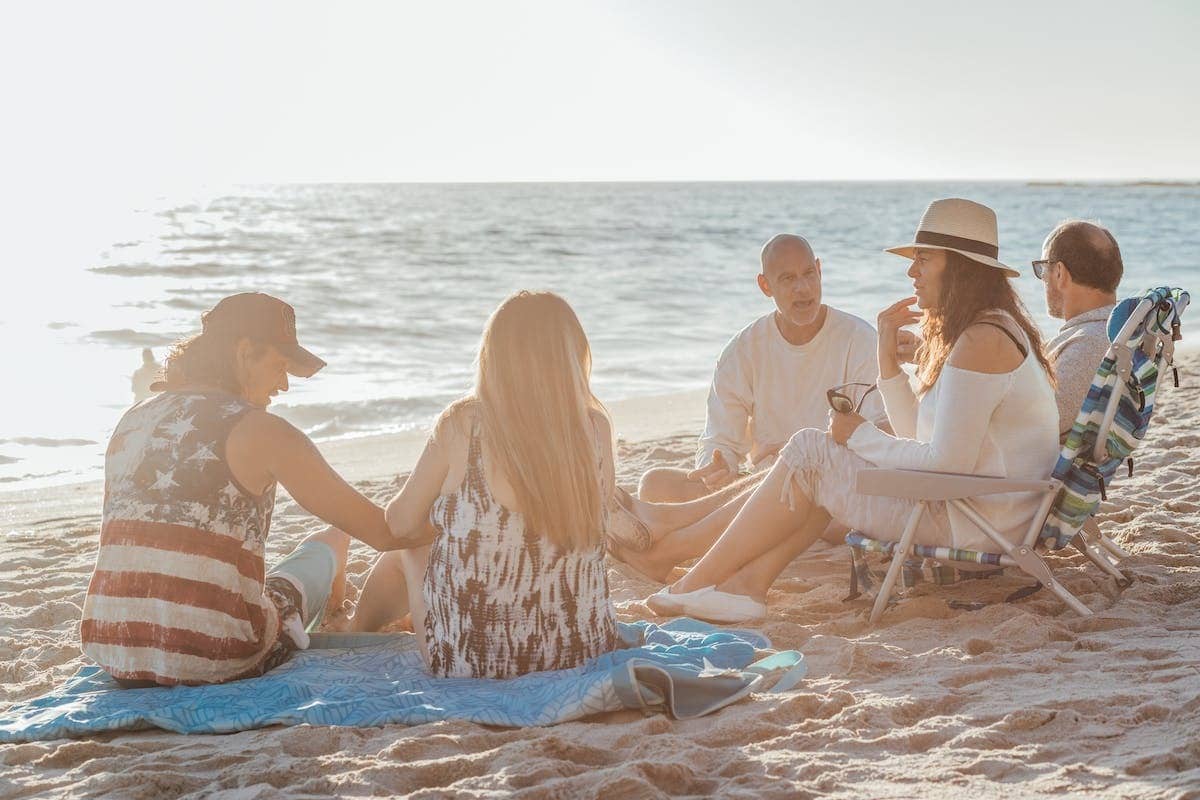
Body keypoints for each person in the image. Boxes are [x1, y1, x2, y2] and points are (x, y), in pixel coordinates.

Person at [635, 198, 1061, 623]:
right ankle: (747, 586)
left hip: (978, 525)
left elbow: (946, 463)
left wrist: (856, 435)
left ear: (959, 267)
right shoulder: (985, 330)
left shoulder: (982, 341)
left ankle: (695, 580)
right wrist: (887, 361)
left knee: (811, 450)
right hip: (980, 512)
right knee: (817, 459)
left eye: (923, 260)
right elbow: (917, 436)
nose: (911, 271)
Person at [80, 293, 413, 687]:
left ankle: (339, 616)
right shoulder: (262, 430)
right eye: (280, 365)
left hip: (114, 647)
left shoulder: (133, 419)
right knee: (333, 540)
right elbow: (383, 532)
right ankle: (345, 620)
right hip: (216, 656)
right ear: (244, 352)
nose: (285, 385)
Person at [351, 291, 627, 678]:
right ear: (574, 357)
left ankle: (355, 631)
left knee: (409, 550)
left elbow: (397, 523)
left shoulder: (465, 423)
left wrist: (443, 520)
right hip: (581, 648)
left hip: (476, 661)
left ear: (492, 357)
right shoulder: (595, 427)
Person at [637, 234, 888, 503]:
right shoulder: (742, 350)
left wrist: (797, 453)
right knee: (654, 484)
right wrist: (718, 467)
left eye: (808, 274)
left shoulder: (859, 340)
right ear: (765, 285)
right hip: (762, 487)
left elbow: (879, 438)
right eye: (788, 279)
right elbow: (719, 440)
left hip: (833, 489)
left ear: (820, 271)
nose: (803, 288)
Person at [1034, 220, 1123, 438]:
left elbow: (1042, 424)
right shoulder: (1115, 332)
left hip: (1035, 464)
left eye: (1043, 268)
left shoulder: (1089, 344)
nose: (1042, 278)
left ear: (1060, 273)